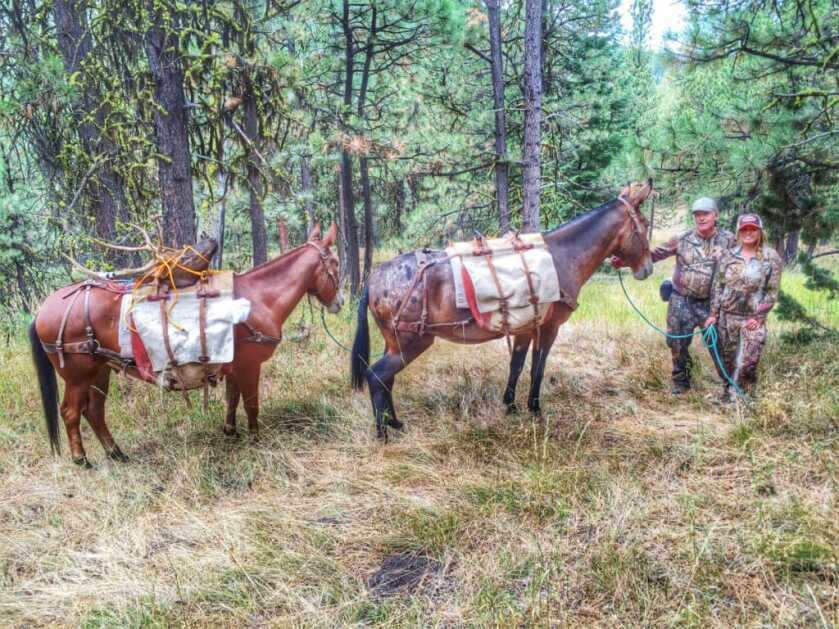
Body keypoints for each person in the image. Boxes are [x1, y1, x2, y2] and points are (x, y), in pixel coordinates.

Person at [613, 196, 735, 394]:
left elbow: (741, 260)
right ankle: (681, 381)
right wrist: (625, 261)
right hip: (681, 301)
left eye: (705, 214)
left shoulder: (728, 239)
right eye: (697, 214)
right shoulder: (682, 238)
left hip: (712, 304)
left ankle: (730, 384)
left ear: (716, 216)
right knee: (676, 342)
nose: (701, 218)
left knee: (719, 343)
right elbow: (655, 254)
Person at [704, 214, 782, 401]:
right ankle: (728, 394)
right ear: (738, 232)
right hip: (727, 317)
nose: (748, 233)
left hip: (752, 319)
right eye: (744, 229)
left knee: (747, 362)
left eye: (753, 229)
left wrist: (759, 317)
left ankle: (743, 397)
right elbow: (718, 286)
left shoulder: (771, 257)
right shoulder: (728, 255)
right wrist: (713, 314)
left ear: (760, 231)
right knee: (728, 360)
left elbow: (772, 292)